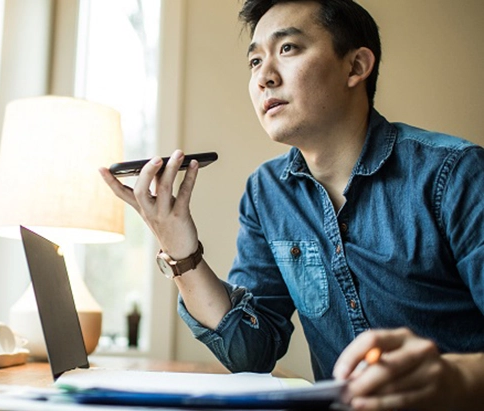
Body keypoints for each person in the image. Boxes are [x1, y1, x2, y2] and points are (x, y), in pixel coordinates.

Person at [99, 0, 484, 410]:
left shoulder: (456, 174)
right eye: (254, 61)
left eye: (287, 49)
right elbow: (252, 351)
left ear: (355, 67)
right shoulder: (267, 193)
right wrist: (176, 244)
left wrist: (455, 378)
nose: (264, 76)